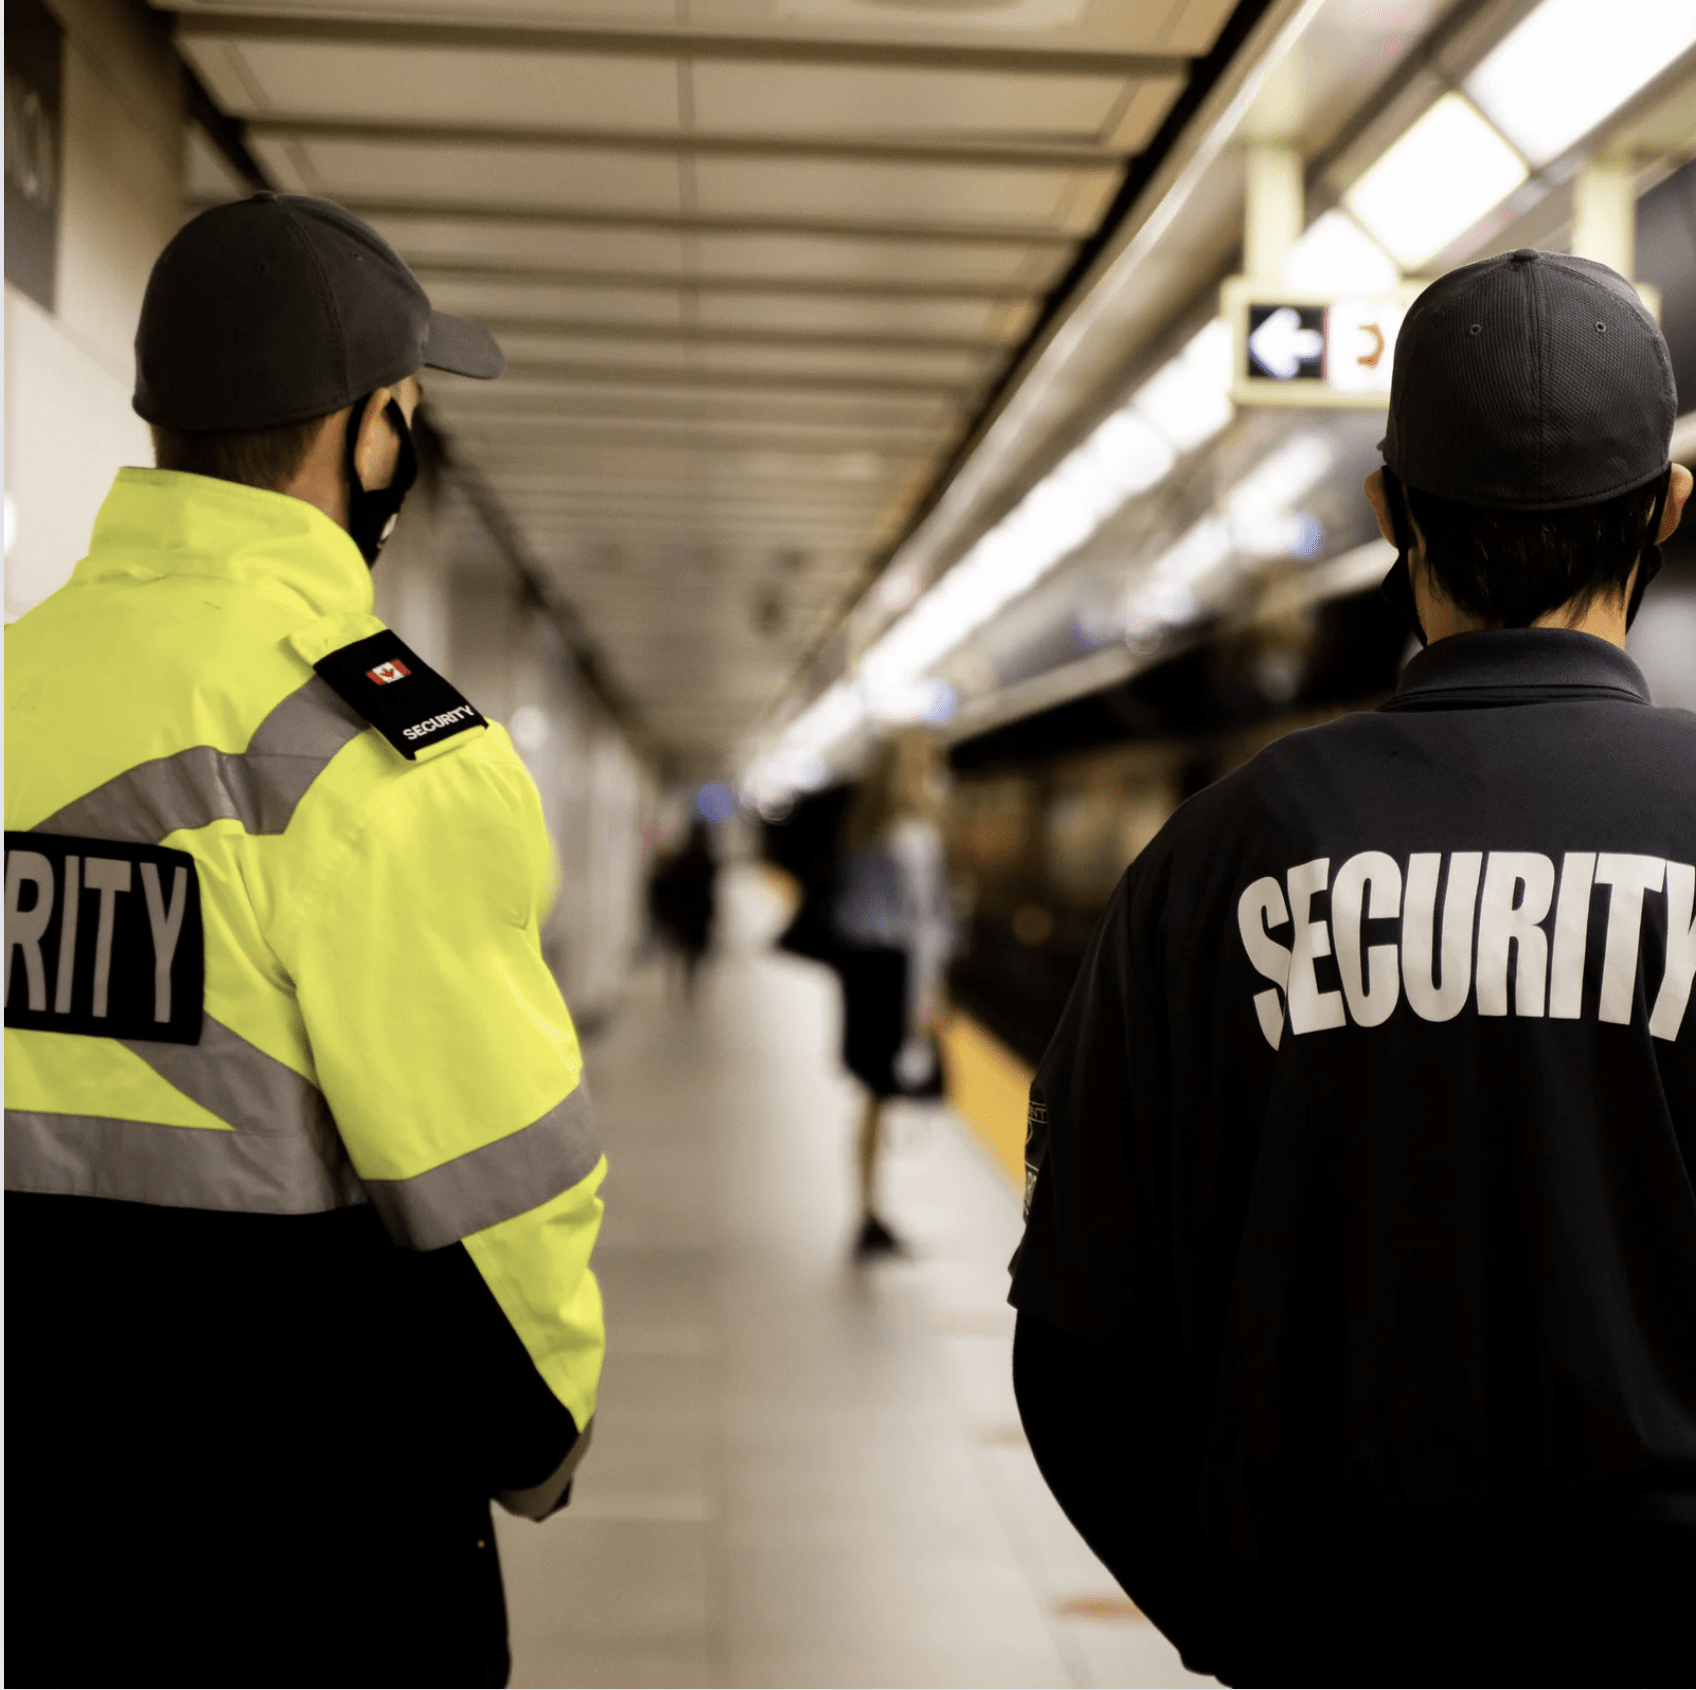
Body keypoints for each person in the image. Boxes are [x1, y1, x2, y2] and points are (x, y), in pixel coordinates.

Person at [1010, 250, 1696, 1686]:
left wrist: (1251, 1624)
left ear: (1389, 510)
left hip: (1329, 1629)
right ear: (1670, 508)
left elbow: (1076, 1348)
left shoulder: (1221, 853)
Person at [4, 193, 607, 1688]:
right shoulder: (380, 753)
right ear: (369, 432)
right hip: (298, 1539)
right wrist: (541, 1432)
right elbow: (495, 1191)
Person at [833, 730, 954, 1255]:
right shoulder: (896, 837)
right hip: (889, 980)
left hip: (887, 977)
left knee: (877, 1097)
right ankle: (867, 1215)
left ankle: (869, 1211)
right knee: (878, 1093)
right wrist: (924, 1000)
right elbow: (915, 925)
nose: (927, 779)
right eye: (918, 767)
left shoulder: (887, 832)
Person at [648, 817, 718, 999]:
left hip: (684, 912)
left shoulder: (683, 858)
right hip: (699, 913)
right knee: (693, 954)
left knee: (677, 948)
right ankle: (689, 986)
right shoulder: (709, 860)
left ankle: (674, 986)